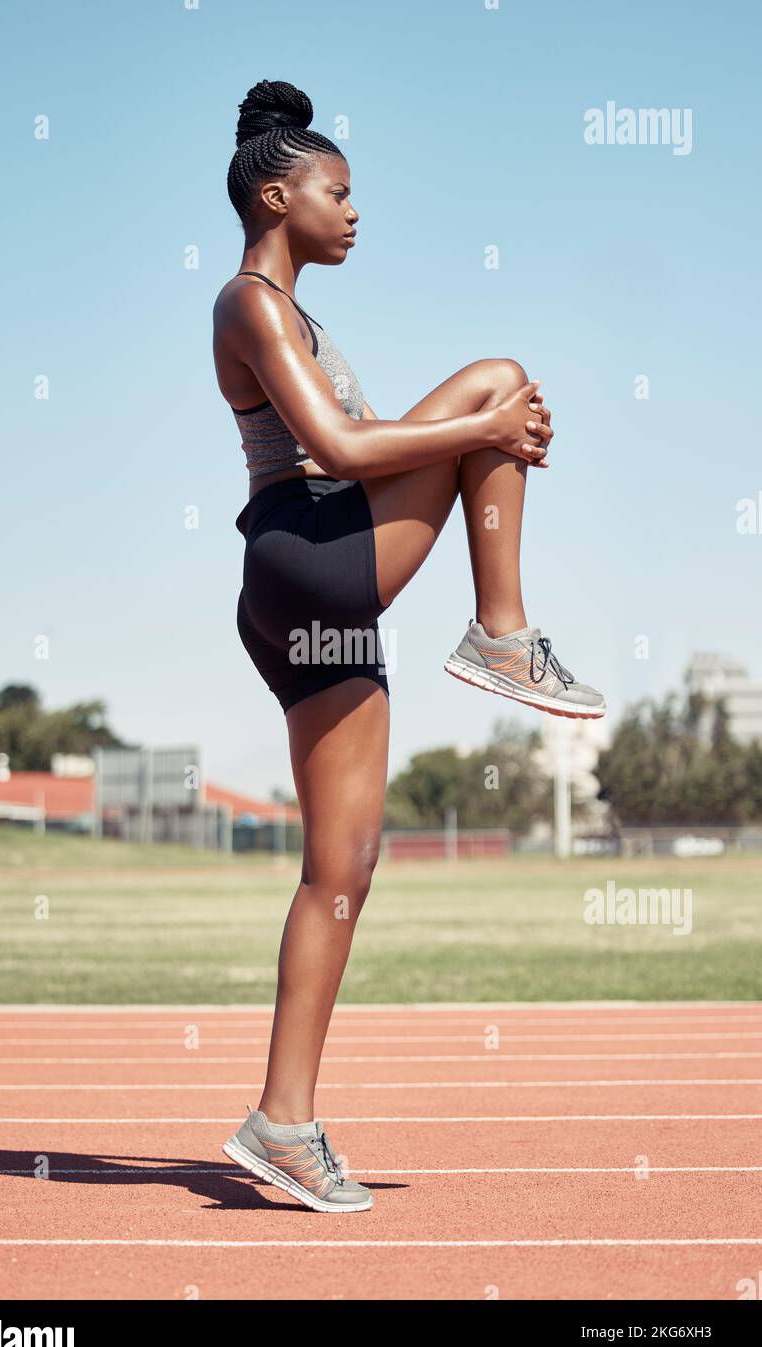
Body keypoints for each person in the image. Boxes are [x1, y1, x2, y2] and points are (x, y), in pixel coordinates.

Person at [213, 79, 605, 1213]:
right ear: (276, 195)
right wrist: (488, 429)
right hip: (303, 549)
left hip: (315, 587)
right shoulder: (249, 303)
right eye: (338, 193)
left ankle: (280, 1123)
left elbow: (374, 448)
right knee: (494, 377)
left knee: (341, 871)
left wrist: (485, 446)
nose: (352, 212)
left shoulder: (301, 317)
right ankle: (500, 634)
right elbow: (337, 443)